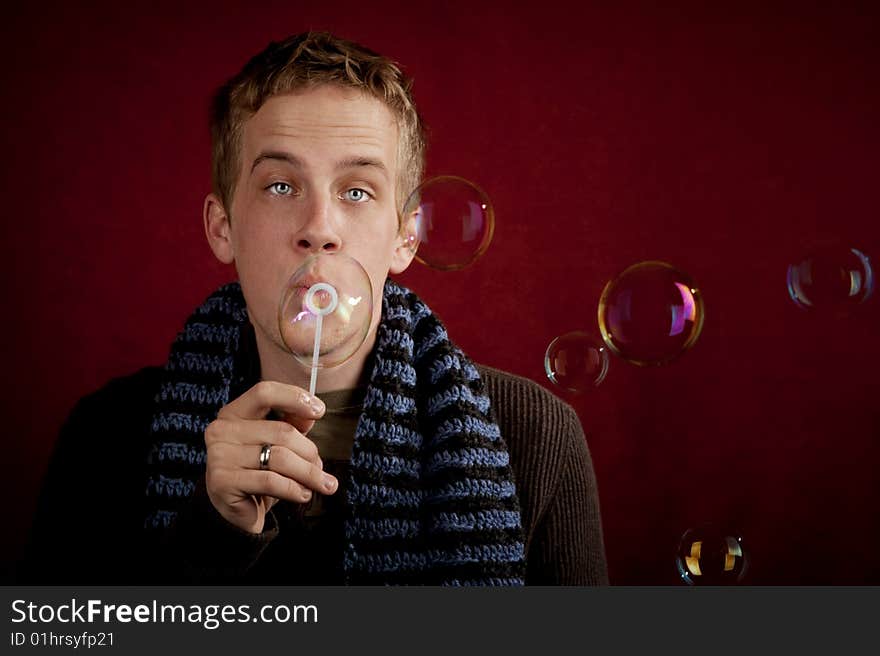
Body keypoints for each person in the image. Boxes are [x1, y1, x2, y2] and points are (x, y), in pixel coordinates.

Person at [19, 31, 608, 585]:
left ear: (406, 237)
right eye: (281, 185)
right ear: (223, 227)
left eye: (357, 191)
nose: (319, 229)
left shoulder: (534, 436)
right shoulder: (108, 435)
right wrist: (210, 534)